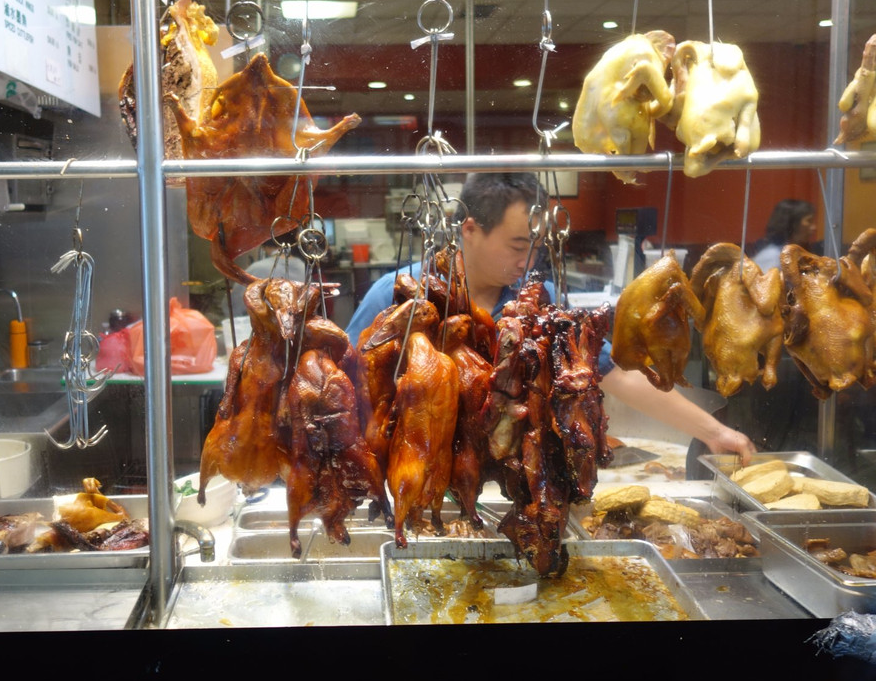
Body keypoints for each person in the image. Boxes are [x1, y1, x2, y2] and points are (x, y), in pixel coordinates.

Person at [346, 172, 758, 465]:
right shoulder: (398, 295)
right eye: (517, 246)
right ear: (469, 229)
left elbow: (614, 374)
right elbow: (346, 381)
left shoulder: (537, 302)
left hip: (511, 481)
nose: (526, 262)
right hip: (415, 473)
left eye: (535, 248)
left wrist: (713, 432)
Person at [751, 198, 817, 272]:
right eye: (809, 221)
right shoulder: (772, 256)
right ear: (793, 223)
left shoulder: (799, 255)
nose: (814, 227)